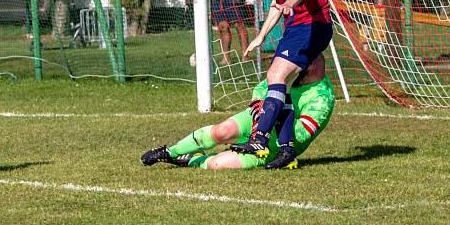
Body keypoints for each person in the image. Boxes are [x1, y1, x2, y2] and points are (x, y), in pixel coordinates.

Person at [227, 0, 333, 169]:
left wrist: (292, 4)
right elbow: (277, 4)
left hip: (312, 25)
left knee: (276, 74)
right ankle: (286, 151)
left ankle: (259, 139)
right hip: (297, 27)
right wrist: (261, 37)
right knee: (280, 83)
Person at [140, 55, 334, 170]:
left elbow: (301, 135)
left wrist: (270, 123)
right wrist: (261, 107)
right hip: (258, 121)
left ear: (314, 66)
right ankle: (169, 151)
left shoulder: (322, 98)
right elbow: (262, 89)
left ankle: (190, 160)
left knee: (218, 164)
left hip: (275, 144)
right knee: (220, 131)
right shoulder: (290, 71)